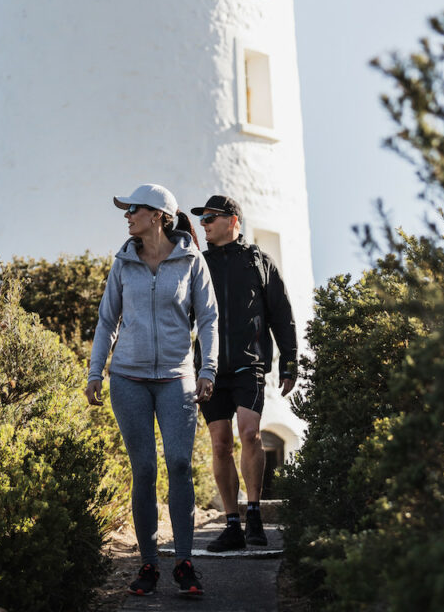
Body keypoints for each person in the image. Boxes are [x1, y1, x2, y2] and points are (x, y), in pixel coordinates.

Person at [85, 183, 218, 597]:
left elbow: (209, 318)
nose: (127, 216)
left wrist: (207, 368)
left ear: (159, 215)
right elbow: (108, 321)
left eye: (134, 210)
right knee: (143, 470)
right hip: (128, 378)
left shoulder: (192, 261)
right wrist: (96, 372)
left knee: (179, 464)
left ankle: (183, 561)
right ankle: (147, 563)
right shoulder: (123, 263)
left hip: (178, 379)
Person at [189, 194, 298, 551]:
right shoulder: (199, 265)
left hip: (249, 364)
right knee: (220, 444)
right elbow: (181, 315)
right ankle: (232, 522)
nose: (205, 224)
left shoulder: (258, 261)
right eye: (201, 220)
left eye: (211, 217)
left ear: (233, 220)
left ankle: (254, 515)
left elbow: (281, 312)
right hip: (209, 368)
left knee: (249, 433)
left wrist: (290, 361)